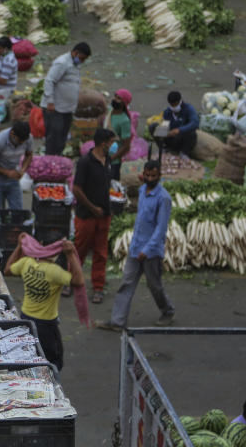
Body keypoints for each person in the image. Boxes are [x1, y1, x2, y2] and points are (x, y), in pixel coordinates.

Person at [97, 161, 175, 330]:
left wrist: (147, 250)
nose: (150, 178)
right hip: (135, 247)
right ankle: (117, 321)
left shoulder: (163, 198)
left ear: (159, 176)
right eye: (147, 175)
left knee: (154, 285)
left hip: (151, 252)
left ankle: (167, 310)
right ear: (144, 174)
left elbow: (161, 229)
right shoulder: (141, 190)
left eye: (154, 176)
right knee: (126, 283)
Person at [3, 230, 88, 372]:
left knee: (29, 356)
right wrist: (71, 254)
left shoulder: (26, 262)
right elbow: (79, 281)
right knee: (52, 362)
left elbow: (7, 270)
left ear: (41, 244)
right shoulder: (54, 272)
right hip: (47, 325)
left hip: (25, 319)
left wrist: (19, 246)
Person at [73, 128, 115, 304]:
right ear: (103, 143)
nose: (113, 146)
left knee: (101, 252)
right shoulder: (85, 162)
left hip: (104, 214)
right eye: (112, 142)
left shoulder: (108, 160)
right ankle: (71, 281)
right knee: (79, 250)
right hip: (86, 215)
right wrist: (92, 207)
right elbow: (76, 189)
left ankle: (98, 287)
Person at [0, 121, 33, 237]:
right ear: (12, 134)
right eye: (19, 141)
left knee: (17, 212)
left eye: (23, 141)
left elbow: (29, 154)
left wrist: (23, 169)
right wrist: (6, 172)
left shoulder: (28, 138)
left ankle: (14, 241)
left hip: (13, 179)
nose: (21, 143)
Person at [41, 43, 91, 156]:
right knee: (54, 135)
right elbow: (49, 81)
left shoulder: (75, 64)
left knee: (62, 136)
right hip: (55, 108)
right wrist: (50, 101)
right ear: (75, 52)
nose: (82, 61)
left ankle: (57, 158)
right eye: (82, 58)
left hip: (67, 108)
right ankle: (50, 159)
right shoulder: (62, 62)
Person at [162, 90, 199, 156]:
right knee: (153, 127)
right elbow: (165, 123)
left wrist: (179, 130)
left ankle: (184, 152)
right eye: (171, 105)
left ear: (180, 101)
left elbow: (195, 123)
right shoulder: (167, 112)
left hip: (184, 137)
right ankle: (166, 148)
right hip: (172, 138)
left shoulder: (189, 109)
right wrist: (164, 130)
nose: (173, 107)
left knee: (191, 132)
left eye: (175, 104)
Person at [108, 88, 133, 180]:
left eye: (119, 98)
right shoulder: (109, 112)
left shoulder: (124, 121)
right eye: (115, 96)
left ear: (124, 103)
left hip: (113, 160)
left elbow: (126, 146)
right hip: (103, 155)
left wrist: (112, 158)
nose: (115, 99)